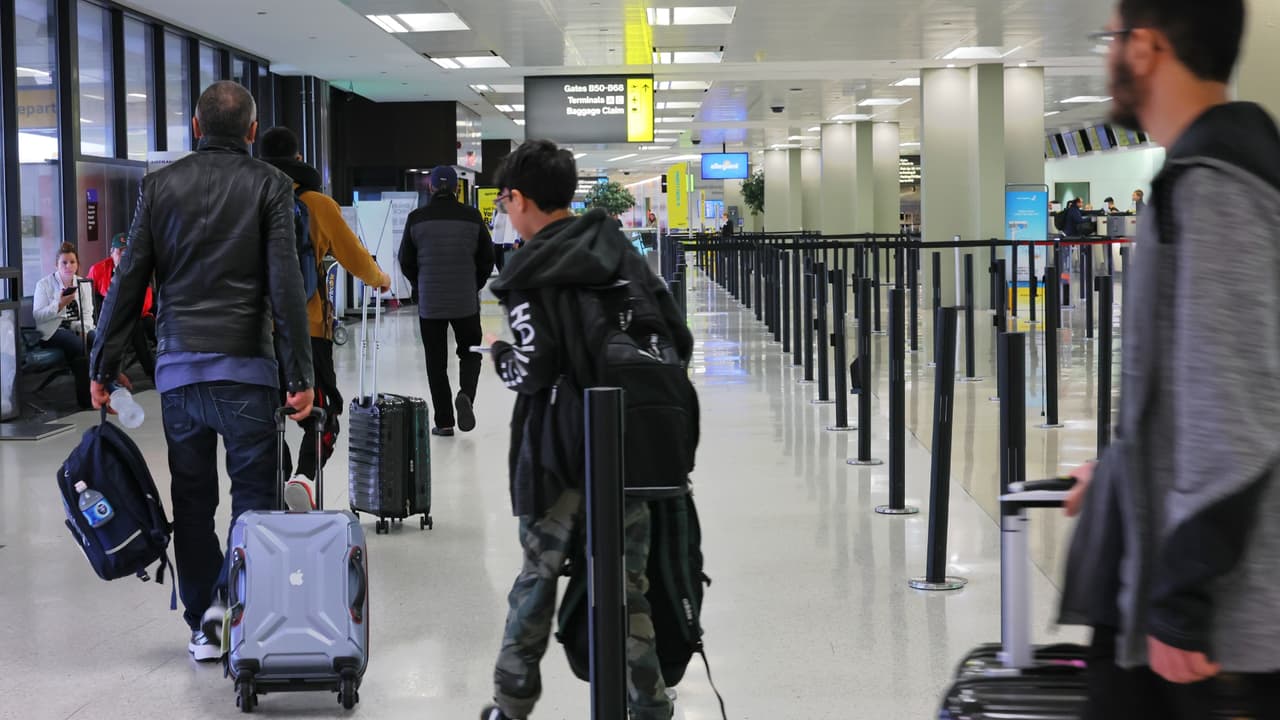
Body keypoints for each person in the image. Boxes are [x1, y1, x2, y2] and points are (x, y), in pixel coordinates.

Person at [1060, 0, 1280, 716]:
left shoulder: (1215, 189)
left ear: (1147, 48)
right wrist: (1125, 466)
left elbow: (1235, 410)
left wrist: (1182, 602)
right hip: (1201, 598)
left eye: (1114, 39)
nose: (1110, 57)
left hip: (1219, 627)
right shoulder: (1200, 177)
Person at [88, 81, 314, 664]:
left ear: (194, 127)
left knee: (191, 501)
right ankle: (235, 610)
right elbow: (285, 287)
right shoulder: (271, 185)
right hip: (248, 372)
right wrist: (300, 376)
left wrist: (102, 366)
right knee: (254, 501)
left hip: (181, 374)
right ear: (251, 132)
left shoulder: (159, 186)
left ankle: (202, 624)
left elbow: (128, 280)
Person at [478, 139, 691, 720]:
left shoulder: (529, 269)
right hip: (631, 449)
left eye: (505, 202)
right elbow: (676, 335)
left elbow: (532, 367)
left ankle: (511, 702)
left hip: (556, 454)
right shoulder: (621, 250)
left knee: (537, 579)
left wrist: (498, 353)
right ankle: (647, 704)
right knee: (627, 584)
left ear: (519, 198)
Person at [259, 126, 391, 511]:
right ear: (299, 159)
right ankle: (303, 477)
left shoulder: (248, 197)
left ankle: (276, 479)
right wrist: (380, 279)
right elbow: (354, 256)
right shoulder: (317, 203)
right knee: (323, 413)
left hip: (252, 331)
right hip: (308, 330)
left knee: (266, 412)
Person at [398, 165, 494, 437]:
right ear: (456, 188)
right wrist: (474, 284)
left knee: (436, 362)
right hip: (465, 300)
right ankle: (465, 395)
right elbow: (487, 259)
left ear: (430, 187)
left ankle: (444, 422)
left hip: (431, 303)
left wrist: (421, 283)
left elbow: (405, 260)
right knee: (470, 351)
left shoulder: (416, 218)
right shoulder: (473, 217)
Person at [33, 242, 97, 406]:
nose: (69, 266)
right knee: (78, 346)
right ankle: (87, 399)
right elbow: (38, 316)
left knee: (97, 340)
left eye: (72, 262)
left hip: (77, 326)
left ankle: (103, 388)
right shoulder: (44, 285)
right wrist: (59, 304)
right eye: (64, 262)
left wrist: (85, 329)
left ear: (77, 264)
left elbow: (88, 313)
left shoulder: (82, 283)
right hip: (53, 330)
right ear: (56, 265)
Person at [86, 232, 155, 379]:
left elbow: (146, 303)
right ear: (111, 252)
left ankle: (161, 369)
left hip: (134, 315)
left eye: (127, 252)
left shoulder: (139, 270)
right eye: (119, 251)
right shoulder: (97, 270)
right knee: (135, 330)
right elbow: (87, 296)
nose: (123, 256)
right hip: (106, 318)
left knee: (140, 327)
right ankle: (152, 373)